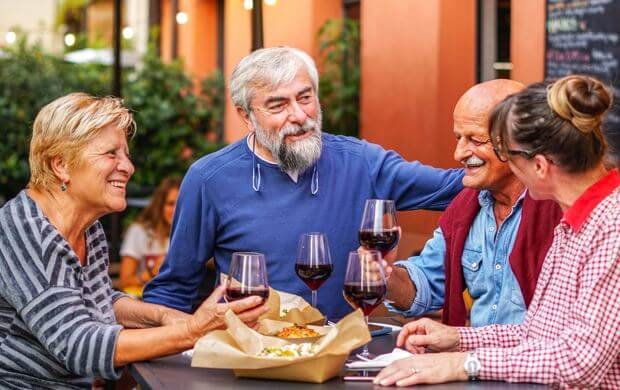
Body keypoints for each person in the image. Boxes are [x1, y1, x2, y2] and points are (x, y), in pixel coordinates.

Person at [143, 46, 465, 320]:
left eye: (305, 97)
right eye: (278, 105)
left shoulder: (362, 163)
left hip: (341, 358)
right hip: (251, 358)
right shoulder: (208, 179)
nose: (299, 114)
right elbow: (173, 289)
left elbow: (460, 188)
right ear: (245, 116)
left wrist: (505, 156)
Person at [0, 93, 266, 389]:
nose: (128, 167)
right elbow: (78, 346)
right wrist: (193, 330)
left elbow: (96, 303)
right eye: (111, 154)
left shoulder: (87, 228)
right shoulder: (26, 231)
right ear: (61, 165)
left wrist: (164, 316)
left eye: (126, 154)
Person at [374, 75, 620, 387]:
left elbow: (579, 363)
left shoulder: (611, 227)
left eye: (511, 156)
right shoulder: (573, 222)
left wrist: (466, 363)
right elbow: (535, 333)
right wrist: (458, 339)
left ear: (541, 166)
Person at [383, 79, 563, 327]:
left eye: (475, 140)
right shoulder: (466, 207)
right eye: (459, 138)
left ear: (520, 141)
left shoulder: (561, 210)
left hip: (531, 364)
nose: (459, 153)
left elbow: (564, 336)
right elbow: (427, 283)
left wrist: (460, 346)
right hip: (473, 361)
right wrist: (384, 276)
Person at [119, 176, 181, 294]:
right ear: (160, 206)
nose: (176, 210)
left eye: (180, 204)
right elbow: (124, 281)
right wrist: (151, 272)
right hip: (145, 301)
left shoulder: (192, 234)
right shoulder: (140, 231)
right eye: (170, 204)